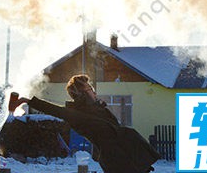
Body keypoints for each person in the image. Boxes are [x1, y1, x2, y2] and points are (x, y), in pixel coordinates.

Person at [8, 74, 160, 173]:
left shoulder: (97, 109)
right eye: (90, 89)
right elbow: (55, 110)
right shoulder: (77, 115)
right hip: (118, 161)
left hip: (129, 155)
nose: (94, 92)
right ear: (83, 94)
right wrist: (26, 101)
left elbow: (116, 128)